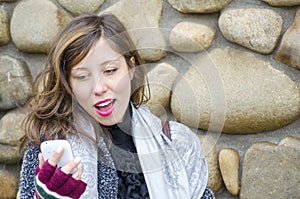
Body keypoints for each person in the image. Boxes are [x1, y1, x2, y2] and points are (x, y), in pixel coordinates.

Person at [19, 13, 215, 199]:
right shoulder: (50, 146)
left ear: (131, 67)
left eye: (110, 70)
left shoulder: (176, 143)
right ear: (69, 84)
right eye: (82, 76)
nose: (99, 88)